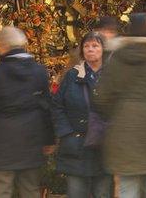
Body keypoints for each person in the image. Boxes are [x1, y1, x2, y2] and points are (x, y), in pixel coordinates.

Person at [94, 13, 146, 198]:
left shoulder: (115, 59)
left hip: (123, 132)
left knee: (127, 189)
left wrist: (116, 115)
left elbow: (101, 98)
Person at [0, 27, 54, 198]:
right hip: (31, 138)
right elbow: (46, 107)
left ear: (5, 46)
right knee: (30, 189)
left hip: (2, 140)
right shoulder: (39, 71)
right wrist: (49, 139)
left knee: (2, 190)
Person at [51, 32, 112, 198]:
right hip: (76, 146)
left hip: (104, 147)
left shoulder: (112, 76)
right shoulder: (72, 76)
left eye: (95, 46)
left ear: (103, 49)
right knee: (76, 192)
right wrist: (67, 132)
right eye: (86, 46)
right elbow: (57, 105)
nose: (90, 49)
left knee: (102, 193)